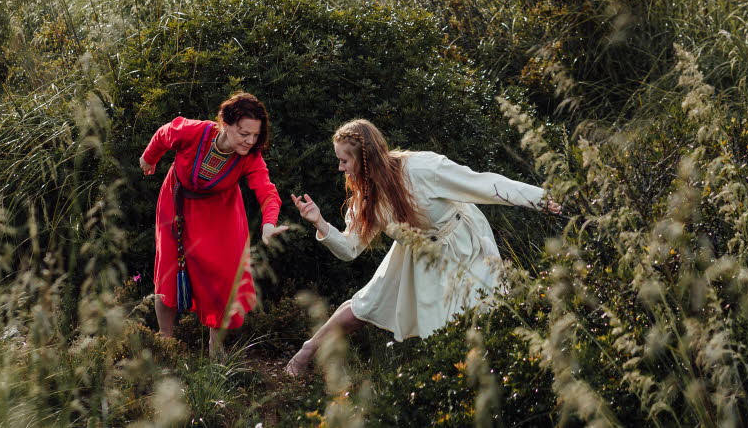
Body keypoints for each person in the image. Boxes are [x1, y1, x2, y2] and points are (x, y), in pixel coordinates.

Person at [285, 118, 559, 375]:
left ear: (364, 159)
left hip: (462, 245)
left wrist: (540, 200)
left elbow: (485, 184)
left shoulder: (423, 168)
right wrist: (319, 222)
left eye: (344, 160)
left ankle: (481, 375)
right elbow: (349, 249)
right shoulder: (364, 198)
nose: (340, 168)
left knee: (483, 311)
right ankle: (309, 349)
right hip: (414, 252)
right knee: (366, 307)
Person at [140, 92, 289, 357]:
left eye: (255, 135)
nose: (250, 141)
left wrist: (268, 225)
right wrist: (149, 158)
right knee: (168, 269)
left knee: (224, 275)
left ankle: (215, 346)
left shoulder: (250, 157)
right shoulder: (194, 131)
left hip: (221, 214)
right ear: (225, 123)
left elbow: (267, 191)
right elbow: (164, 134)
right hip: (176, 203)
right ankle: (165, 339)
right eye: (244, 133)